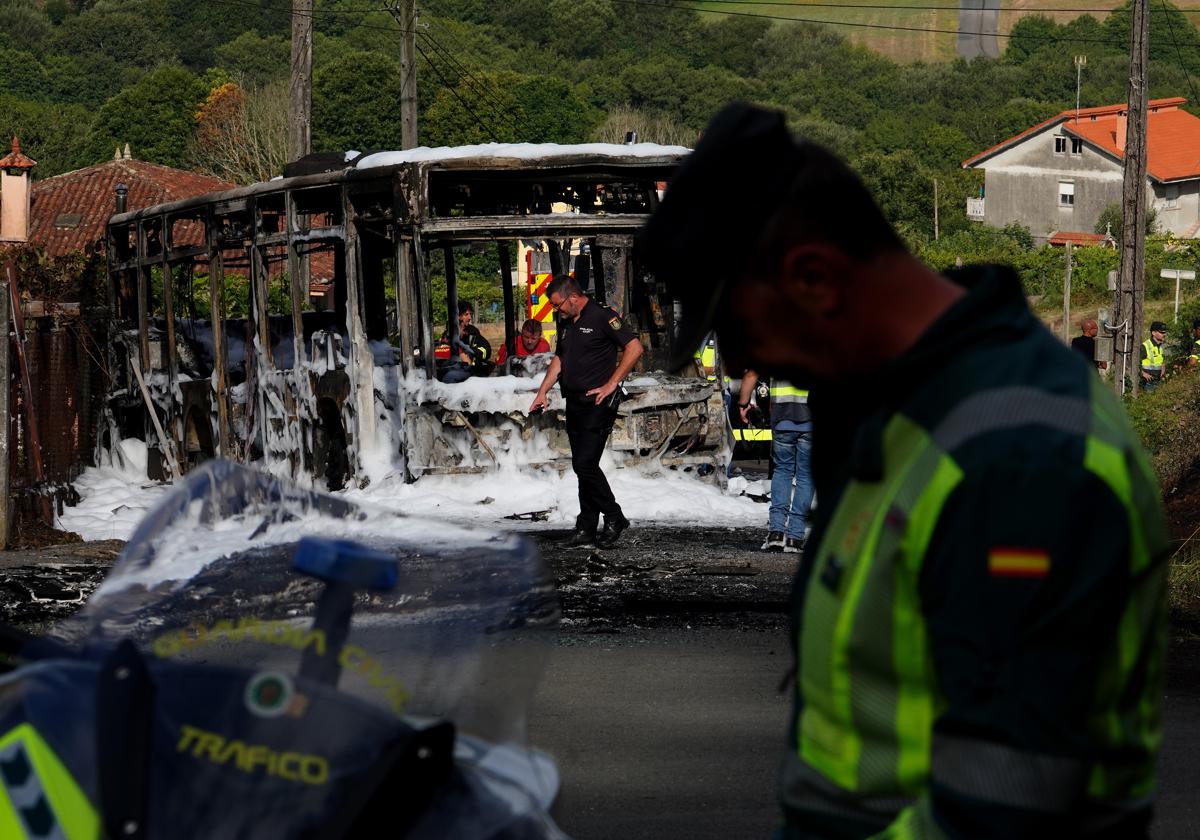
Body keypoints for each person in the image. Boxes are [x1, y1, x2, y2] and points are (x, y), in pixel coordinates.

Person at [638, 102, 1168, 839]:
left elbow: (1004, 813)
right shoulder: (899, 410)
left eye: (735, 329)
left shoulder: (1018, 457)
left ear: (815, 276)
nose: (735, 364)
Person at [529, 275, 643, 548]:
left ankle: (615, 516)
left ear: (573, 297)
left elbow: (634, 347)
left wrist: (611, 383)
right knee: (583, 466)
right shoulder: (567, 323)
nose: (556, 311)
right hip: (574, 402)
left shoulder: (603, 316)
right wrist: (543, 390)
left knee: (584, 464)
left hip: (597, 403)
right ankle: (586, 529)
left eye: (558, 305)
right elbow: (560, 358)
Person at [738, 370, 812, 553]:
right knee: (806, 476)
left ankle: (776, 534)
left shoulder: (779, 343)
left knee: (783, 471)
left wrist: (743, 403)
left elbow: (751, 375)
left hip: (782, 421)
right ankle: (795, 538)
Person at [435, 301, 493, 382]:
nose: (470, 318)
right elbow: (443, 352)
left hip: (472, 371)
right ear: (458, 317)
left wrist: (470, 354)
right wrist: (460, 354)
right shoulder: (448, 334)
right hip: (454, 368)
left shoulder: (472, 332)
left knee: (450, 377)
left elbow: (486, 350)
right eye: (466, 314)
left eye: (470, 314)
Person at [1141, 320, 1166, 388]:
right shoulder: (1145, 346)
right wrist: (1143, 373)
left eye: (1165, 332)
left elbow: (1161, 362)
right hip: (1147, 382)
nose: (1164, 334)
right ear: (1153, 333)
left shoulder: (1160, 347)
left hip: (1158, 381)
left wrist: (1163, 367)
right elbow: (1134, 364)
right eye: (1161, 332)